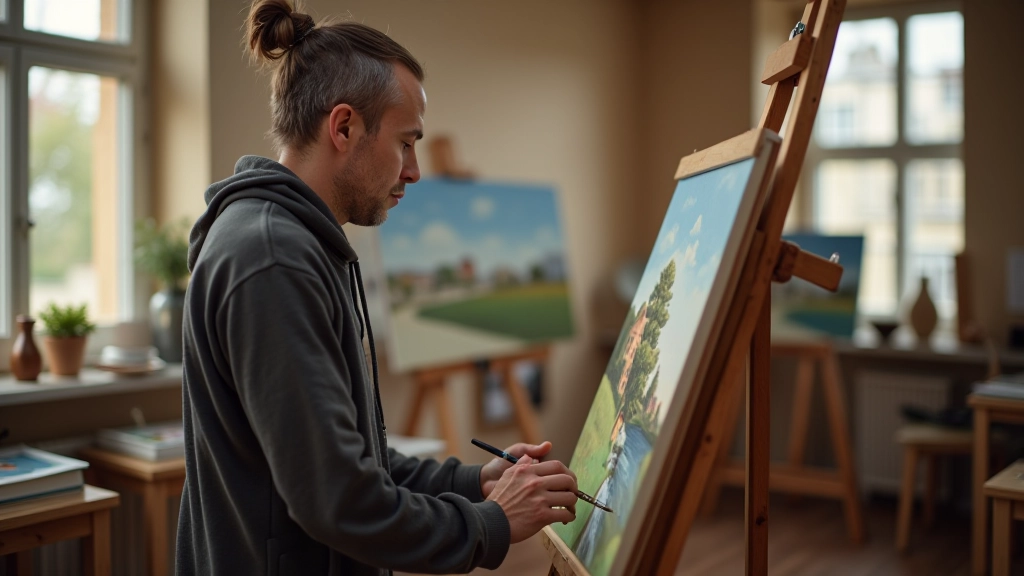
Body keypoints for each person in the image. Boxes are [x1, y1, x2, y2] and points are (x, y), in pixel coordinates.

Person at [175, 1, 579, 574]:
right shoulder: (273, 261)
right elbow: (341, 501)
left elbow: (353, 461)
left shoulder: (300, 244)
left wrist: (475, 481)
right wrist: (492, 523)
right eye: (406, 142)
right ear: (343, 127)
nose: (413, 170)